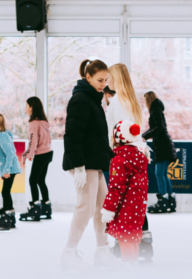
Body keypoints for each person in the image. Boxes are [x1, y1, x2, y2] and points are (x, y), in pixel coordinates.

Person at [60, 59, 117, 271]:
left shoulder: (94, 99)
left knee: (103, 208)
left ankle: (103, 249)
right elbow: (73, 135)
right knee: (85, 207)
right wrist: (79, 166)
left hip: (95, 162)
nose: (103, 84)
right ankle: (69, 251)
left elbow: (96, 135)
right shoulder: (81, 99)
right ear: (88, 77)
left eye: (106, 80)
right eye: (100, 80)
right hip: (84, 163)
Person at [101, 121, 150, 265]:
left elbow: (116, 188)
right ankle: (133, 266)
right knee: (133, 238)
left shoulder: (119, 159)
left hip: (125, 208)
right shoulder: (140, 157)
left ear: (117, 138)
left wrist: (108, 209)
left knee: (125, 239)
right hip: (138, 207)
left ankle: (128, 269)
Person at [143, 91, 176, 214]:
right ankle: (170, 201)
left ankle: (163, 201)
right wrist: (145, 135)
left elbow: (159, 127)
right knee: (163, 174)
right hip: (164, 144)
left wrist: (145, 136)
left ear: (149, 99)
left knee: (159, 173)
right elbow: (157, 127)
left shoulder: (155, 110)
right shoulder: (158, 109)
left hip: (163, 145)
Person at [20, 97, 53, 222]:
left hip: (41, 154)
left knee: (32, 180)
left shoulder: (33, 124)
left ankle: (35, 208)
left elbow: (33, 143)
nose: (25, 108)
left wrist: (26, 155)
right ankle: (46, 206)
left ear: (32, 107)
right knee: (40, 180)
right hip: (48, 153)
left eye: (27, 106)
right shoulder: (44, 122)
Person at [0, 114, 22, 231]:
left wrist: (7, 170)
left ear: (1, 124)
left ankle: (6, 218)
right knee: (6, 191)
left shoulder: (2, 136)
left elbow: (10, 154)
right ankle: (11, 218)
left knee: (5, 192)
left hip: (11, 168)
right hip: (8, 168)